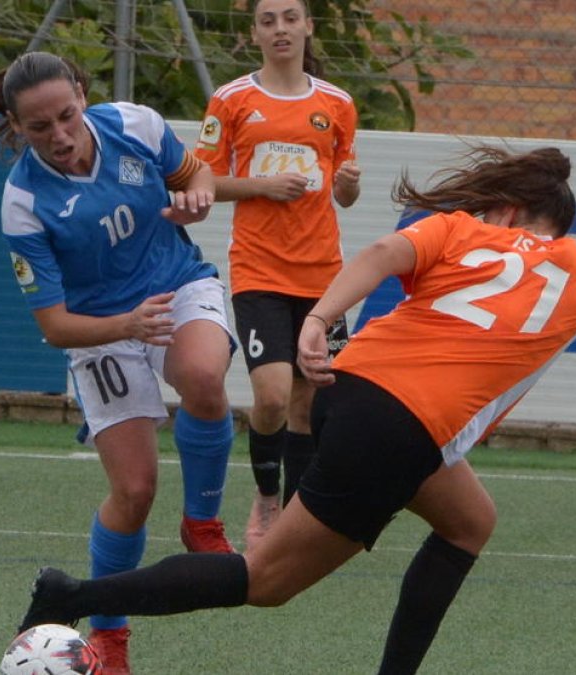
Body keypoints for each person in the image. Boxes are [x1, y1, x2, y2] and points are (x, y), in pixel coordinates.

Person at [11, 145, 576, 674]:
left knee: (471, 519)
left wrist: (317, 319)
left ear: (505, 209)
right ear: (546, 220)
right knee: (265, 581)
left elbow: (378, 259)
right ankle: (72, 596)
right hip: (402, 428)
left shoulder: (460, 231)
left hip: (348, 386)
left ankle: (305, 492)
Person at [0, 51, 239, 674]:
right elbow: (54, 326)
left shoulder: (137, 125)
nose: (60, 136)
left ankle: (203, 523)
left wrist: (199, 196)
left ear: (81, 91)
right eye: (39, 128)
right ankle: (111, 641)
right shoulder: (22, 202)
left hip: (175, 285)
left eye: (67, 116)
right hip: (99, 330)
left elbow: (196, 174)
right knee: (133, 490)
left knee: (204, 377)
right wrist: (124, 327)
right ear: (16, 127)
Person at [194, 0, 361, 550]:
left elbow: (343, 192)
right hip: (259, 269)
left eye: (290, 17)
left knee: (311, 402)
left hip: (322, 276)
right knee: (270, 396)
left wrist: (349, 185)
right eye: (269, 20)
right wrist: (262, 186)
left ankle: (297, 518)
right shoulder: (232, 99)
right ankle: (266, 499)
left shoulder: (337, 103)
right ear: (256, 33)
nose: (280, 28)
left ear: (308, 26)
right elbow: (202, 182)